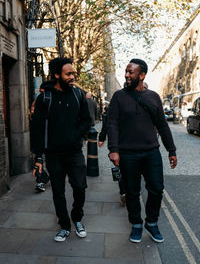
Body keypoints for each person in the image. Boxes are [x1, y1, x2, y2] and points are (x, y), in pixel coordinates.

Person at [107, 58, 177, 244]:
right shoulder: (118, 97)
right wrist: (113, 149)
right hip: (128, 154)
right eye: (126, 71)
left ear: (142, 75)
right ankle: (136, 224)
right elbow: (112, 124)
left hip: (151, 152)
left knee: (156, 189)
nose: (127, 75)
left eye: (131, 72)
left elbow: (162, 125)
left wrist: (171, 150)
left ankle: (151, 222)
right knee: (132, 192)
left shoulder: (153, 97)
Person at [31, 57, 91, 242]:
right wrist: (38, 157)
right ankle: (64, 225)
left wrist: (75, 136)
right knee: (58, 191)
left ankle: (77, 218)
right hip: (54, 155)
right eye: (68, 74)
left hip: (74, 153)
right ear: (57, 75)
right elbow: (37, 129)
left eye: (73, 73)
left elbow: (87, 121)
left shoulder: (78, 95)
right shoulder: (45, 98)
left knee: (80, 187)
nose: (72, 77)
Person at [98, 105, 126, 205]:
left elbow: (105, 127)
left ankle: (123, 192)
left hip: (115, 145)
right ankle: (128, 191)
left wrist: (101, 139)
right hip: (125, 144)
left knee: (119, 168)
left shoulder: (109, 114)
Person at [30, 81, 53, 193]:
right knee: (40, 161)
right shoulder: (42, 100)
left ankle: (42, 180)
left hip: (42, 137)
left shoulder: (42, 99)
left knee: (40, 160)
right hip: (43, 138)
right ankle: (41, 180)